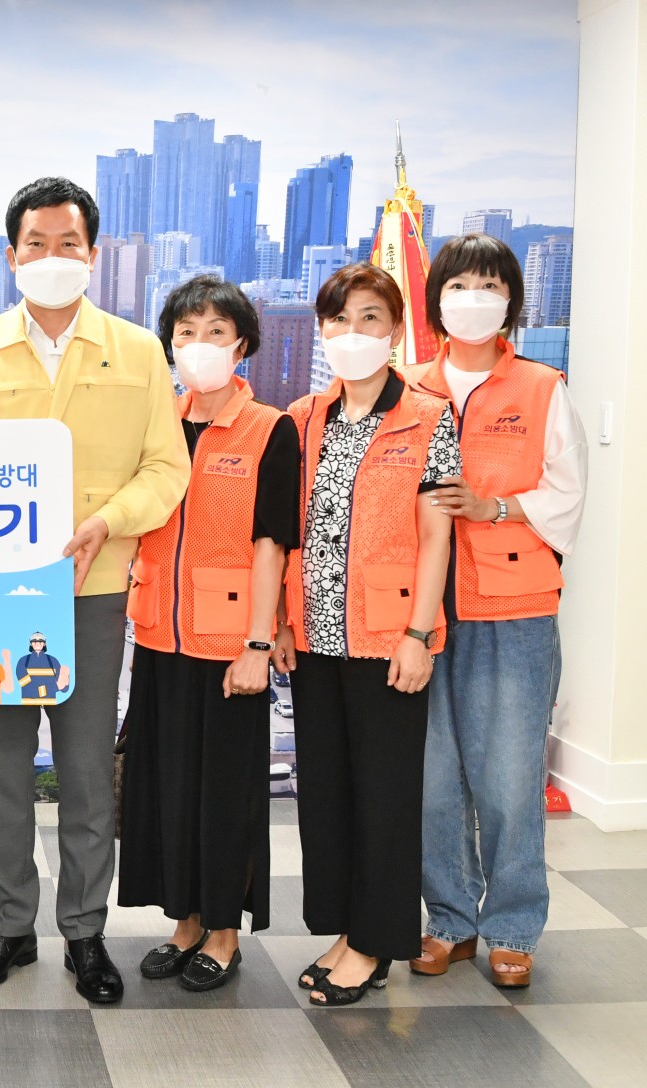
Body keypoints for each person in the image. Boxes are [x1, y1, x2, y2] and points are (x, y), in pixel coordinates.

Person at [0, 177, 190, 1004]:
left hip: (96, 587)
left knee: (85, 771)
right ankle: (9, 927)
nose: (53, 257)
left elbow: (167, 467)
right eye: (36, 244)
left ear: (94, 253)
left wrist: (108, 522)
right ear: (11, 256)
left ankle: (85, 932)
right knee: (3, 771)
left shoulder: (139, 350)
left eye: (69, 244)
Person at [276, 263, 461, 1006]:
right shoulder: (304, 417)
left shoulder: (427, 415)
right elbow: (290, 530)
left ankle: (374, 944)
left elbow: (437, 536)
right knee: (327, 794)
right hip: (315, 636)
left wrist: (420, 632)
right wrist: (283, 622)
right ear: (322, 331)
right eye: (339, 320)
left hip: (389, 637)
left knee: (383, 796)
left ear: (395, 329)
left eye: (370, 319)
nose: (353, 334)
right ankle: (347, 929)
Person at [408, 234, 587, 988]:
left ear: (511, 301)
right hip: (419, 611)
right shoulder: (407, 386)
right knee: (431, 780)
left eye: (489, 286)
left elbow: (568, 493)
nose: (473, 299)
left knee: (511, 779)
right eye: (458, 285)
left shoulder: (542, 387)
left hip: (512, 608)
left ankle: (513, 924)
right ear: (436, 299)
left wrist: (496, 506)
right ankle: (449, 920)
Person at [118, 275, 300, 992]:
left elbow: (271, 543)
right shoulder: (157, 421)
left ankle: (223, 933)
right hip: (159, 636)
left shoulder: (269, 428)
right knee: (167, 789)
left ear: (242, 344)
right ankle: (184, 923)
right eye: (186, 333)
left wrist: (259, 642)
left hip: (230, 646)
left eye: (215, 332)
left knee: (225, 794)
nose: (200, 345)